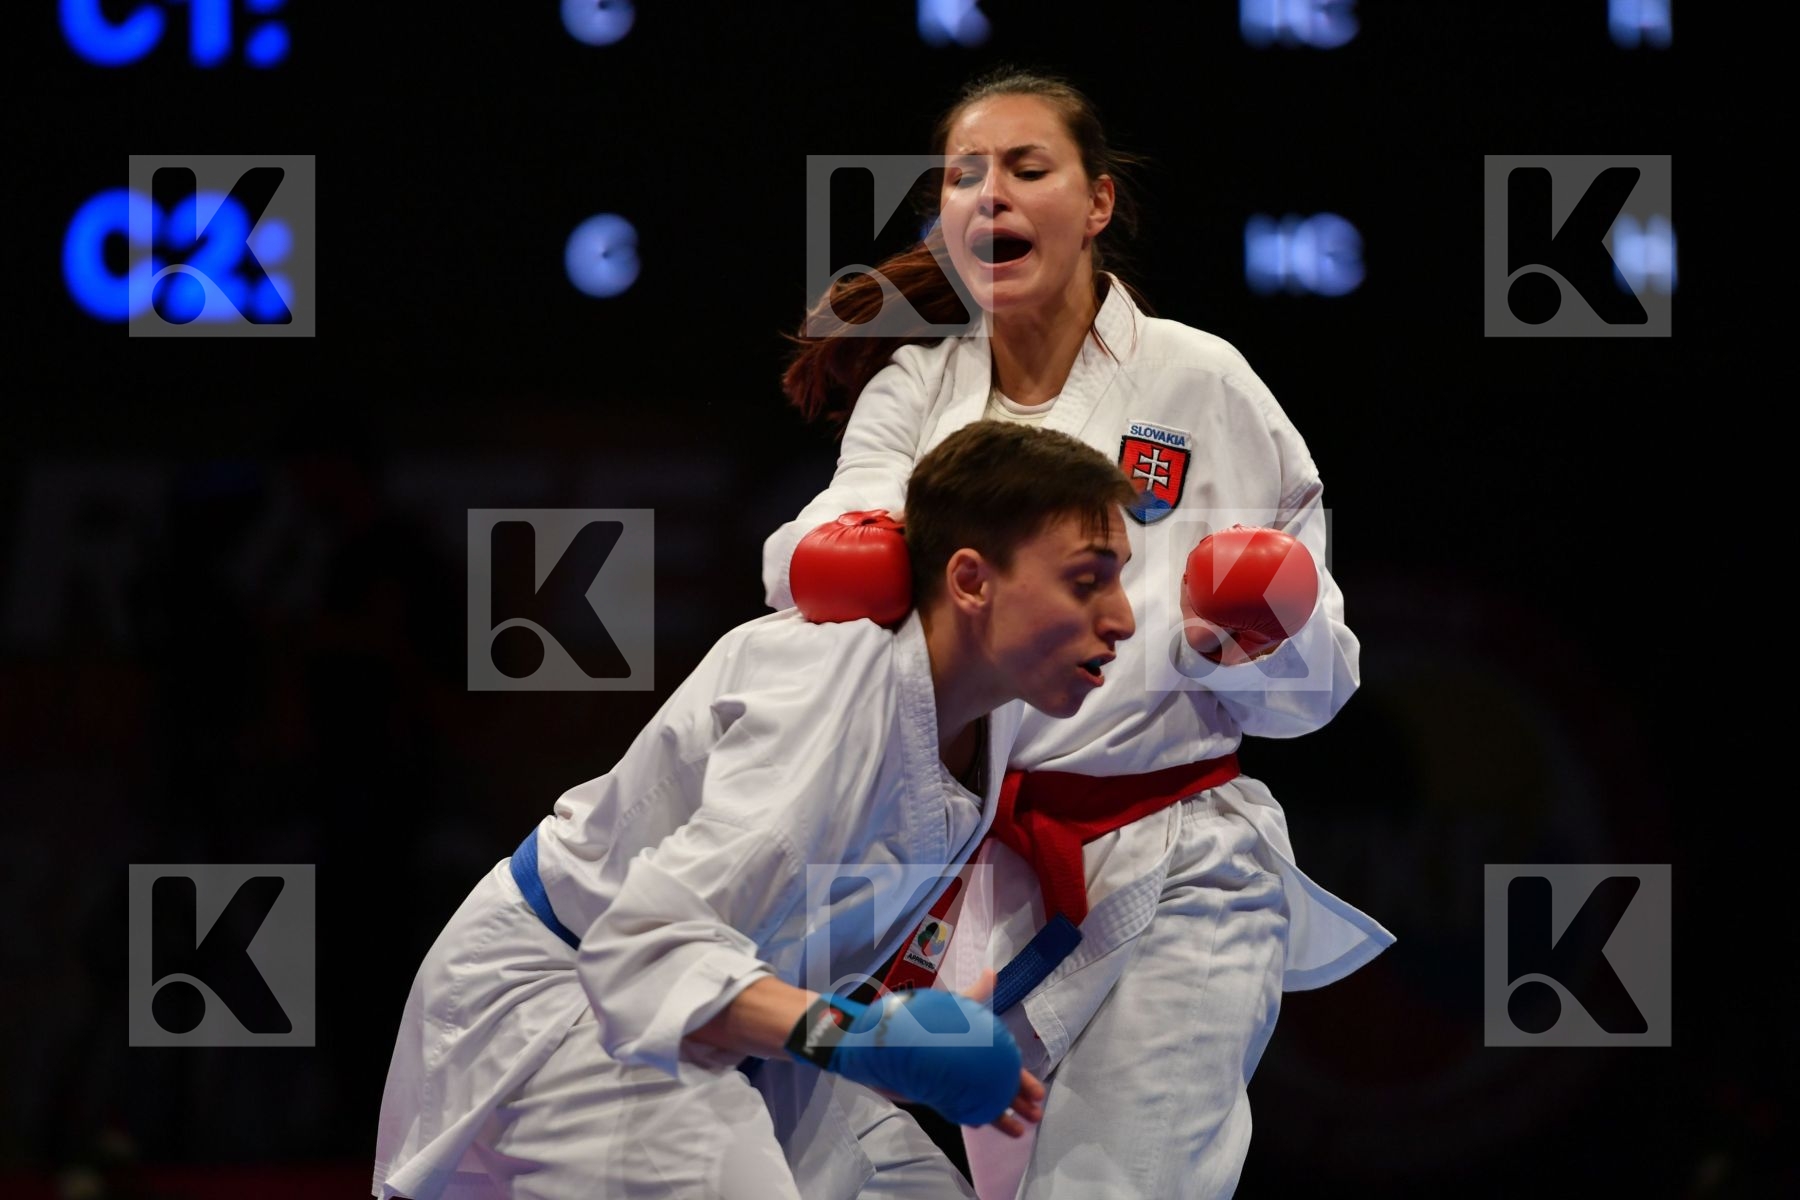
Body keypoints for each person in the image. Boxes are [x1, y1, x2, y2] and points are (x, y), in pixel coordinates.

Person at [765, 67, 1395, 1198]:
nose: (988, 195)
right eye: (963, 175)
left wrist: (1258, 623)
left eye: (1024, 167)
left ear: (1097, 203)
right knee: (810, 1156)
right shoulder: (917, 390)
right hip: (946, 871)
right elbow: (816, 557)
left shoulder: (1199, 381)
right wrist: (835, 559)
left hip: (1174, 867)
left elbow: (1319, 688)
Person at [371, 421, 1141, 1200]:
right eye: (1086, 581)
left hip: (729, 1015)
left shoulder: (987, 698)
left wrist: (912, 1027)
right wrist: (865, 1037)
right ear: (971, 581)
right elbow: (642, 948)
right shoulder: (829, 697)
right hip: (573, 1002)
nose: (1123, 617)